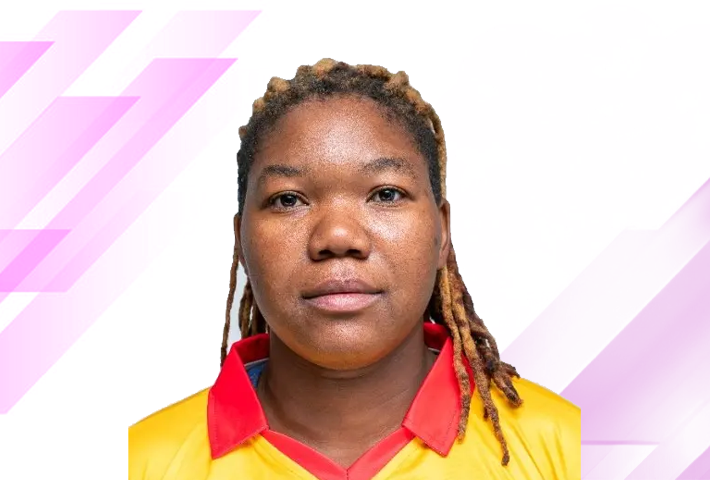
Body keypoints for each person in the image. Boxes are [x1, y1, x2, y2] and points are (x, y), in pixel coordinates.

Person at [128, 58, 581, 479]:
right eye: (288, 199)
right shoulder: (140, 459)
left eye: (386, 194)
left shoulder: (568, 446)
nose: (338, 236)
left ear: (442, 231)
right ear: (241, 240)